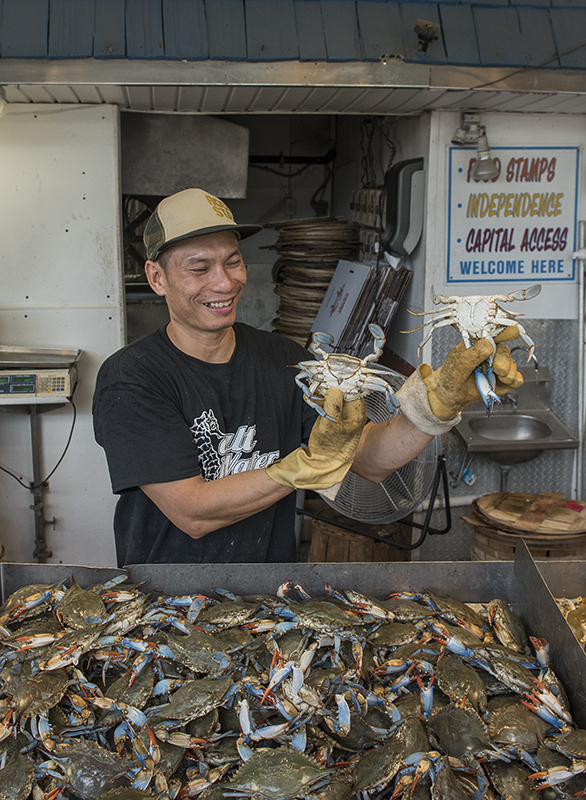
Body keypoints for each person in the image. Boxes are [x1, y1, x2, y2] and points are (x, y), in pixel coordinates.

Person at [92, 188, 523, 566]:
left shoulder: (283, 359)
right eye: (199, 268)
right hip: (166, 605)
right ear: (157, 278)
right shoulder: (131, 379)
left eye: (233, 262)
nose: (223, 283)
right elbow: (193, 513)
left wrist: (433, 408)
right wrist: (303, 468)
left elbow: (367, 461)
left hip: (269, 597)